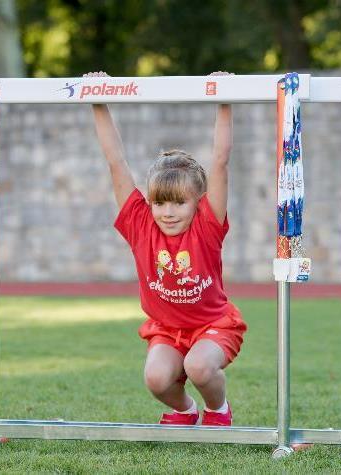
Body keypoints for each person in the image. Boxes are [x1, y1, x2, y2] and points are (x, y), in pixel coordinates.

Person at [86, 71, 247, 426]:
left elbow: (220, 160)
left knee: (199, 366)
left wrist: (224, 99)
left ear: (197, 203)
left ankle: (218, 409)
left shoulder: (207, 226)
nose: (168, 212)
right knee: (156, 379)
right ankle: (185, 410)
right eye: (160, 203)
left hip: (212, 325)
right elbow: (116, 162)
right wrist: (97, 100)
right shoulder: (140, 225)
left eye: (178, 204)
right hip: (167, 329)